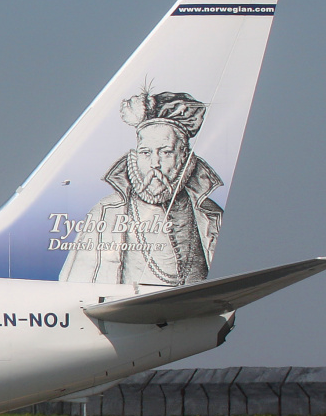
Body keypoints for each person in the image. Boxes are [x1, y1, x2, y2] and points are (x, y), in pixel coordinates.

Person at [60, 89, 223, 286]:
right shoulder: (105, 213)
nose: (155, 163)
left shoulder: (211, 215)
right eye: (146, 153)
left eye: (165, 152)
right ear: (135, 157)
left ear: (184, 156)